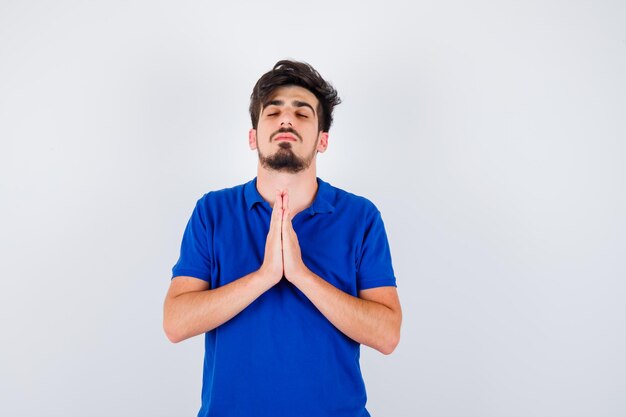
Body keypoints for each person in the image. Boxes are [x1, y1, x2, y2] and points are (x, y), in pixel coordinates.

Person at [163, 60, 402, 417]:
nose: (286, 120)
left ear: (323, 140)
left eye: (302, 113)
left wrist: (301, 275)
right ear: (252, 136)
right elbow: (175, 323)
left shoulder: (360, 217)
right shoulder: (212, 211)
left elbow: (387, 335)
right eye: (273, 112)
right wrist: (264, 276)